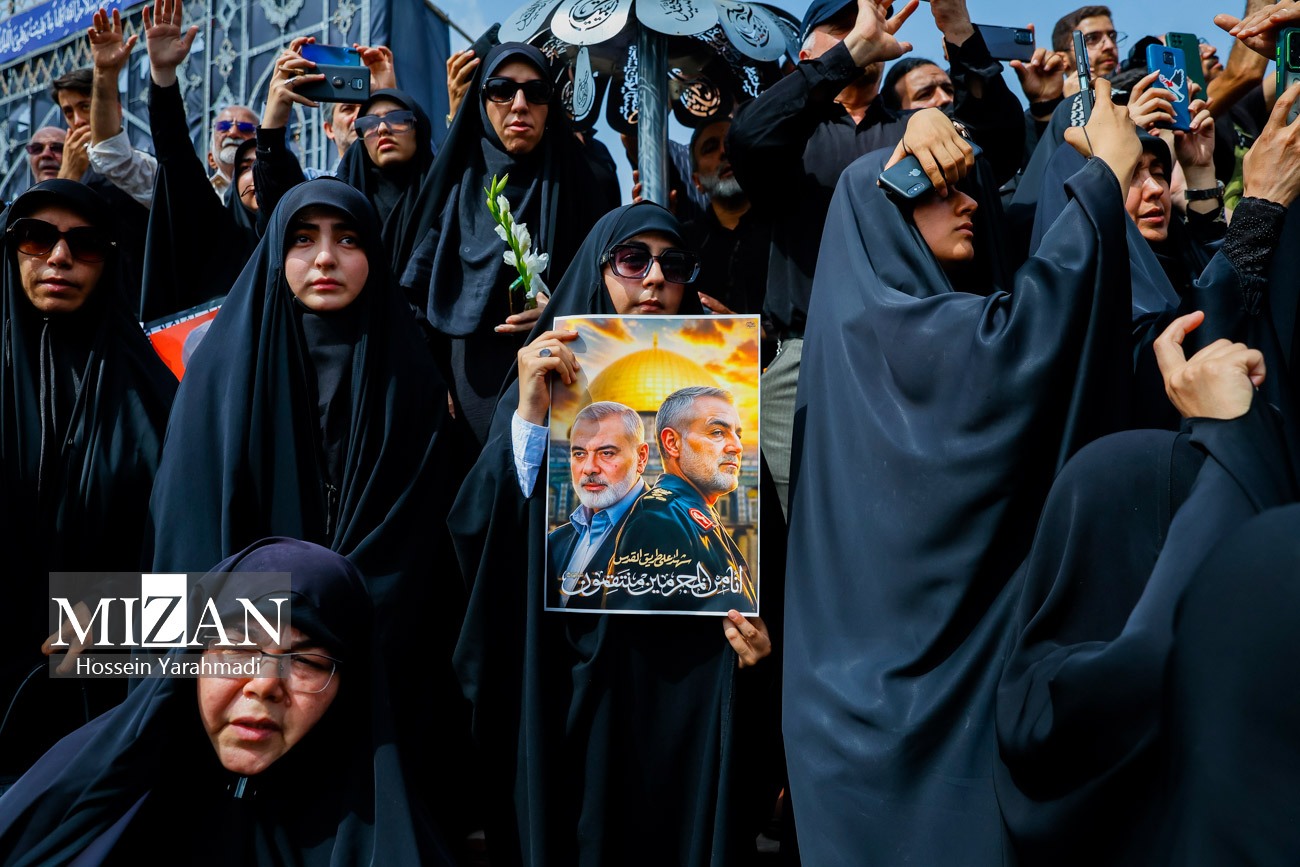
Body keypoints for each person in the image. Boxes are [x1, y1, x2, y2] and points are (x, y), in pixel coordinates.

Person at [782, 81, 1153, 865]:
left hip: (847, 724)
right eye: (935, 191)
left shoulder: (857, 343)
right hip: (898, 737)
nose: (969, 204)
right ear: (883, 213)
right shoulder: (900, 333)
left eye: (964, 187)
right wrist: (1103, 178)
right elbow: (1018, 345)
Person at [145, 179, 473, 845]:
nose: (325, 258)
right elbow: (187, 529)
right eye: (302, 239)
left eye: (348, 239)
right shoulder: (220, 371)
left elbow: (417, 542)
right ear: (276, 253)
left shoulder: (410, 376)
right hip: (234, 660)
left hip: (371, 659)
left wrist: (324, 632)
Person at [452, 202, 779, 866]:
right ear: (597, 273)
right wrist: (532, 417)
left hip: (692, 692)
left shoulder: (722, 412)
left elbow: (764, 559)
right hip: (576, 685)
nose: (654, 278)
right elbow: (484, 533)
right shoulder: (539, 400)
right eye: (632, 260)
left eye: (674, 264)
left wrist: (762, 643)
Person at [727, 0, 1024, 516]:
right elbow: (748, 138)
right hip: (807, 357)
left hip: (918, 351)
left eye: (865, 20)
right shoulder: (790, 138)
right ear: (807, 53)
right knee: (805, 521)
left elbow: (999, 141)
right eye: (841, 26)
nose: (865, 27)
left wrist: (958, 30)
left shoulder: (920, 127)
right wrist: (851, 54)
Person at [0, 537, 456, 864]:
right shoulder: (84, 798)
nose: (265, 684)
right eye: (239, 647)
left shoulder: (383, 845)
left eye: (307, 661)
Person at [0, 179, 176, 784]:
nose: (59, 257)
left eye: (86, 244)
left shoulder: (156, 398)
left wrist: (118, 624)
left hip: (106, 708)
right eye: (36, 238)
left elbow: (224, 580)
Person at [404, 41, 618, 448]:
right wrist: (431, 378)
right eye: (501, 90)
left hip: (566, 392)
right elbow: (413, 299)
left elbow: (612, 294)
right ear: (481, 102)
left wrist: (558, 310)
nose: (519, 105)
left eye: (536, 92)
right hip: (465, 401)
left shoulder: (579, 189)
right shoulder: (452, 189)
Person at [139, 0, 259, 321]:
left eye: (247, 130)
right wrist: (163, 75)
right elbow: (175, 154)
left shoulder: (298, 235)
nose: (234, 132)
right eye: (244, 168)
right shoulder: (214, 224)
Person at [605, 386, 756, 613]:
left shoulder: (691, 511)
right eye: (717, 432)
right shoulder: (658, 519)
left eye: (738, 434)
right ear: (672, 443)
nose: (737, 446)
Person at [544, 401, 649, 610]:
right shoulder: (555, 543)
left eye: (606, 453)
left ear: (641, 458)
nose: (589, 468)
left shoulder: (674, 537)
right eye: (579, 453)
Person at [679, 119, 771, 337]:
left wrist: (749, 331)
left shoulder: (787, 232)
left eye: (732, 143)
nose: (724, 152)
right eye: (710, 148)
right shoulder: (681, 244)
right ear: (697, 181)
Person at [85, 7, 159, 209]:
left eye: (241, 127)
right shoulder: (194, 194)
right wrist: (105, 74)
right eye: (223, 126)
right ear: (211, 159)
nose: (233, 132)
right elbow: (112, 154)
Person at [1052, 5, 1121, 95]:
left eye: (1112, 37)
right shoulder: (1048, 103)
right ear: (1062, 60)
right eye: (1092, 38)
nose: (1109, 45)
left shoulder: (1135, 94)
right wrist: (1075, 100)